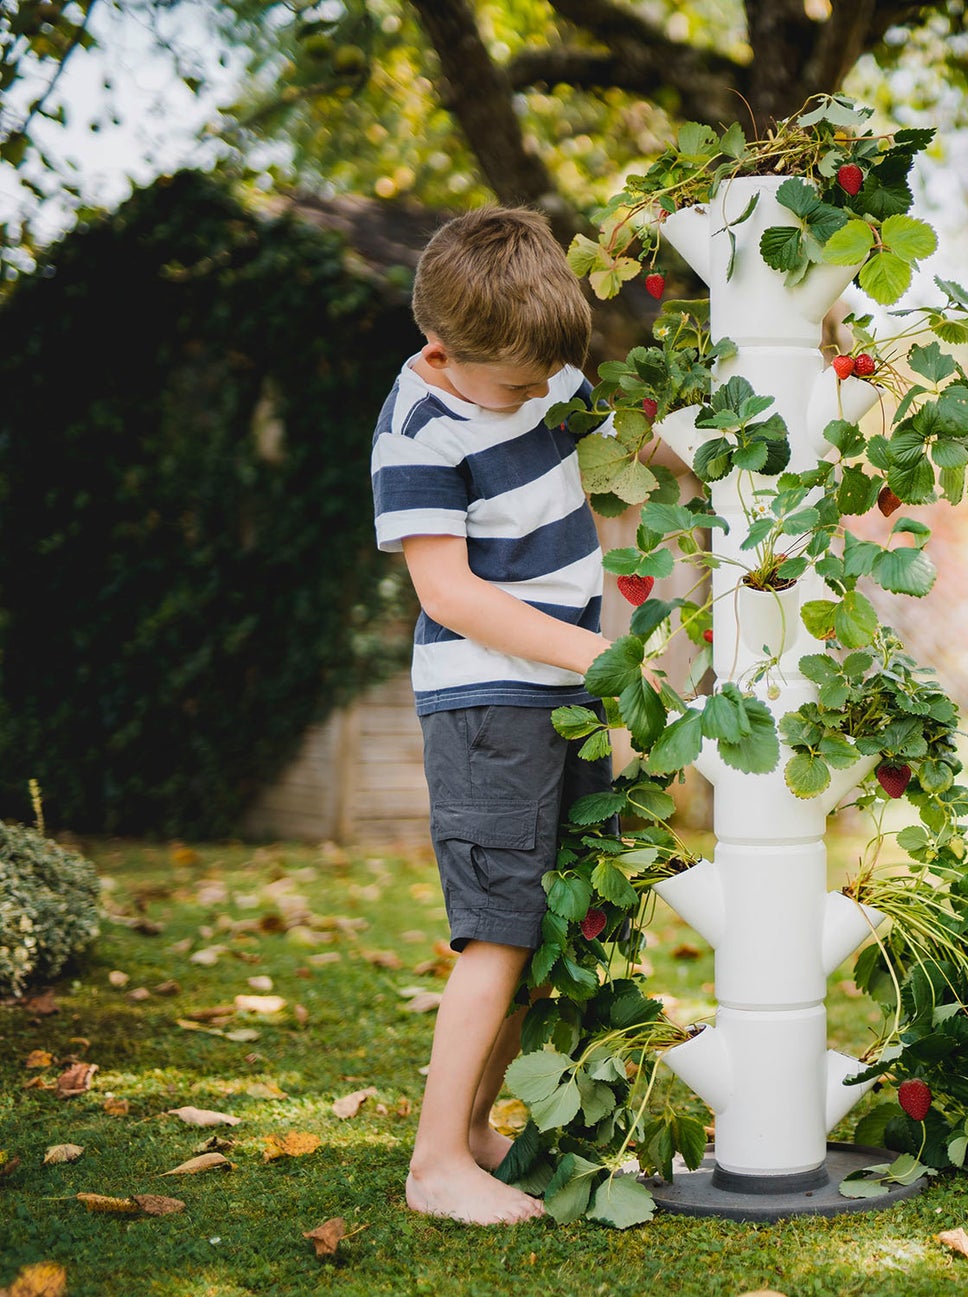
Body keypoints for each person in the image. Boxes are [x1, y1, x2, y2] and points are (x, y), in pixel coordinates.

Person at [370, 207, 614, 1224]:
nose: (538, 398)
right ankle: (433, 1163)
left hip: (559, 693)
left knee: (543, 923)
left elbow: (624, 440)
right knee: (497, 932)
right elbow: (450, 595)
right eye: (516, 385)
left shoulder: (542, 366)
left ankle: (471, 1129)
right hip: (486, 700)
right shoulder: (414, 429)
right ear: (441, 350)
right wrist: (599, 655)